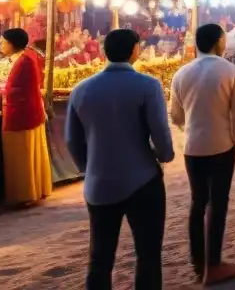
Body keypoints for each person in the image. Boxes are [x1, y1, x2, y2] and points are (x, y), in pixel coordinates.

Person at [66, 28, 173, 289]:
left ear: (104, 52)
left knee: (99, 258)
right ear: (135, 49)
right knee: (148, 255)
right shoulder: (148, 85)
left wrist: (87, 168)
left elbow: (71, 140)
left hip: (99, 183)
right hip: (143, 180)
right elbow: (160, 134)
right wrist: (164, 156)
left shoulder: (81, 90)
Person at [170, 23, 235, 284]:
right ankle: (213, 262)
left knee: (197, 202)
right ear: (218, 41)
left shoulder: (182, 73)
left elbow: (176, 115)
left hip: (193, 146)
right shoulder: (231, 71)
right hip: (222, 145)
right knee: (218, 203)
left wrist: (191, 129)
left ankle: (197, 261)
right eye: (224, 39)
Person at [0, 28, 51, 207]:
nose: (1, 45)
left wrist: (3, 93)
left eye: (3, 42)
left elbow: (18, 89)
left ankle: (23, 194)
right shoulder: (25, 58)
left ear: (12, 44)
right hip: (27, 111)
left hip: (21, 114)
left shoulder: (24, 61)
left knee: (21, 156)